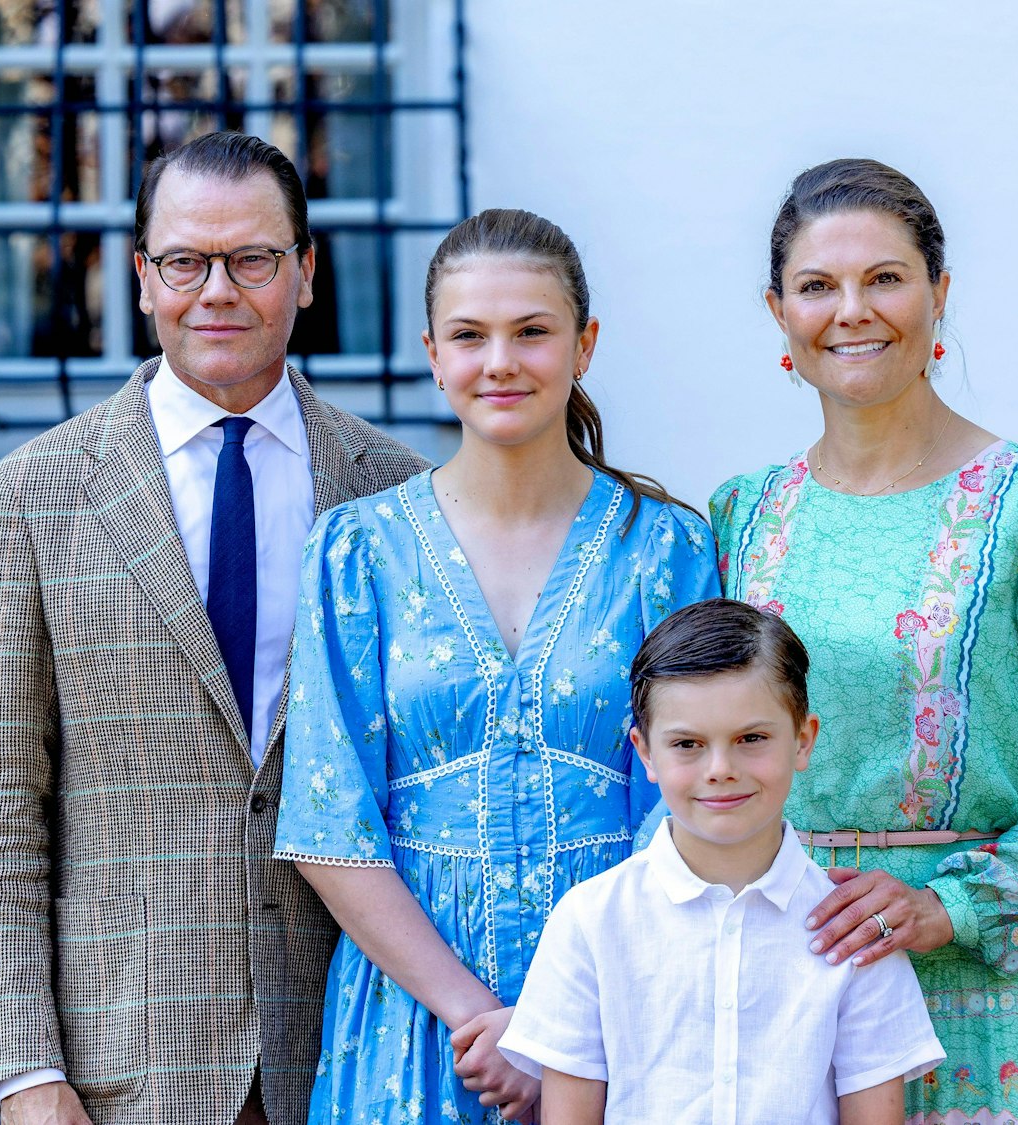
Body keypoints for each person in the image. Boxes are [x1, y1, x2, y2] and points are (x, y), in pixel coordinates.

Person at [0, 131, 428, 1125]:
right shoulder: (27, 502)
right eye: (184, 262)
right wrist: (25, 1075)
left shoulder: (399, 493)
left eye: (251, 259)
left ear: (304, 271)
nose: (217, 290)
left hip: (355, 1048)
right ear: (140, 277)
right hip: (126, 1066)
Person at [709, 158, 1018, 1123]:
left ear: (939, 294)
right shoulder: (743, 514)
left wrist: (951, 907)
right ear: (778, 310)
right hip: (789, 975)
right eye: (818, 285)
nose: (852, 310)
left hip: (984, 1004)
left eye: (886, 278)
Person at [272, 208, 719, 1124]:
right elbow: (330, 818)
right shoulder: (357, 552)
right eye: (470, 336)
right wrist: (483, 1019)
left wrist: (562, 1028)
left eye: (532, 332)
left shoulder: (666, 550)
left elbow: (688, 805)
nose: (500, 362)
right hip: (413, 1021)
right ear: (433, 353)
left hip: (621, 1012)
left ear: (584, 345)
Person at [498, 598, 945, 1124]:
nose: (720, 768)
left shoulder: (852, 932)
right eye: (687, 743)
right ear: (645, 753)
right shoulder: (591, 921)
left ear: (802, 741)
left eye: (751, 739)